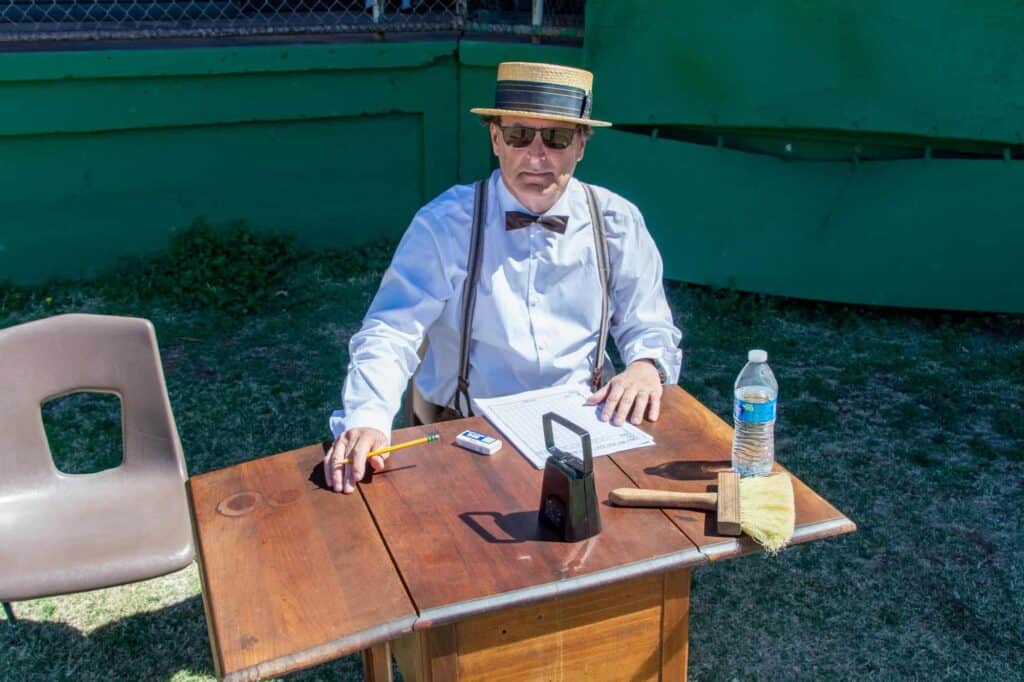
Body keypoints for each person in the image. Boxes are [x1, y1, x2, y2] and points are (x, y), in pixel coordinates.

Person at [325, 61, 682, 493]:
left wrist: (646, 364)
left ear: (581, 144)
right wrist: (367, 417)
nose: (536, 156)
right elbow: (392, 331)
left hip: (584, 423)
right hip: (467, 428)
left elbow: (648, 323)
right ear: (496, 139)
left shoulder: (617, 222)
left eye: (556, 137)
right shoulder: (445, 224)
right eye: (519, 135)